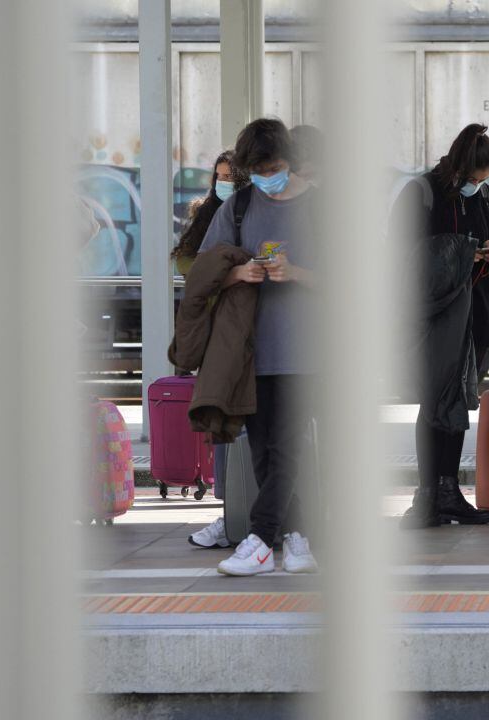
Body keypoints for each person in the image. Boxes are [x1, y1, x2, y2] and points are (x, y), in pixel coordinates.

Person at [196, 118, 320, 575]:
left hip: (310, 351)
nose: (269, 177)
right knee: (265, 448)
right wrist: (238, 273)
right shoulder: (241, 207)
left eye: (276, 167)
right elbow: (205, 272)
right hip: (253, 348)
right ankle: (299, 540)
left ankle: (261, 538)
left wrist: (298, 273)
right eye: (259, 169)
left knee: (286, 444)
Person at [393, 123, 489, 528]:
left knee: (457, 399)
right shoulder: (422, 193)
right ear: (459, 168)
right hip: (433, 314)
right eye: (475, 179)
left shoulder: (483, 196)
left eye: (485, 180)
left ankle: (448, 491)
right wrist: (465, 253)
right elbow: (404, 253)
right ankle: (427, 495)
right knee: (434, 400)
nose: (478, 186)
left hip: (472, 312)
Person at [171, 151, 249, 551]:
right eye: (218, 176)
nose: (223, 183)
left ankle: (246, 512)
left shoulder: (250, 213)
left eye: (230, 177)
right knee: (221, 418)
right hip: (215, 330)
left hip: (240, 328)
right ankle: (229, 510)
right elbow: (186, 262)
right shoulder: (208, 214)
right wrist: (223, 272)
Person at [171, 150, 249, 277]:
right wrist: (223, 274)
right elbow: (183, 261)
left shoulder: (256, 212)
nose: (221, 181)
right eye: (218, 176)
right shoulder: (205, 212)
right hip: (215, 293)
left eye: (227, 176)